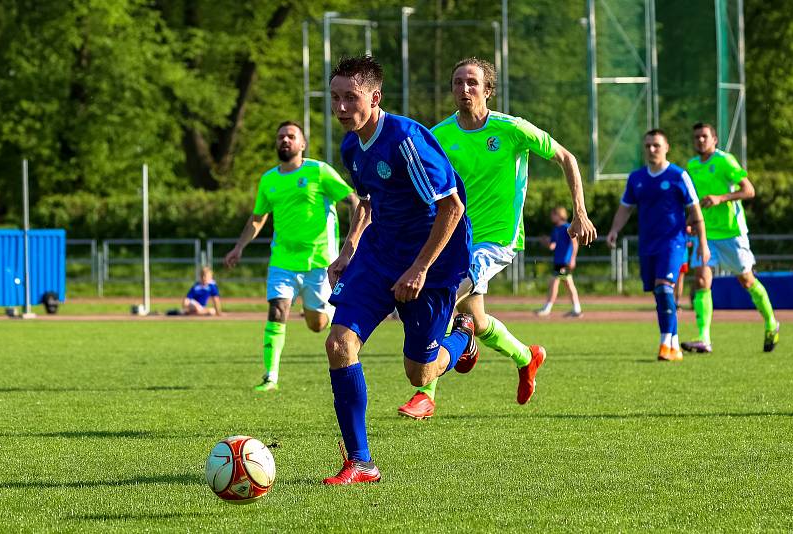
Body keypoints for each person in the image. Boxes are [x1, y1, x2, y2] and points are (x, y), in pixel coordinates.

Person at [397, 57, 597, 420]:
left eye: (472, 82)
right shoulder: (439, 135)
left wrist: (580, 212)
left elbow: (566, 158)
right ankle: (526, 356)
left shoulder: (512, 129)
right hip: (455, 238)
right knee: (477, 318)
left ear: (488, 90)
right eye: (458, 82)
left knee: (446, 292)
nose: (464, 89)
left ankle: (425, 393)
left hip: (498, 238)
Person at [322, 55, 477, 485]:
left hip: (435, 262)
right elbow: (369, 202)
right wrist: (348, 250)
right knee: (339, 344)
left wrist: (420, 268)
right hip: (379, 255)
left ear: (375, 97)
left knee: (420, 372)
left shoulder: (406, 139)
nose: (340, 108)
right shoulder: (351, 146)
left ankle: (461, 334)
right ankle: (361, 461)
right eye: (334, 98)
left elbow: (452, 207)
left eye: (350, 98)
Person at [224, 121, 358, 392]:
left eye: (291, 136)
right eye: (280, 137)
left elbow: (353, 199)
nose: (285, 140)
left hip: (320, 262)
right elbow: (258, 218)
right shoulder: (268, 179)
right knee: (276, 310)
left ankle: (320, 315)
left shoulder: (319, 171)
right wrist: (239, 247)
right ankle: (270, 376)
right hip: (282, 260)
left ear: (302, 144)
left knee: (317, 324)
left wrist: (355, 236)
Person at [606, 129, 710, 361]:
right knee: (660, 294)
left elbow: (695, 210)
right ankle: (673, 343)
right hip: (647, 245)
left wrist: (702, 242)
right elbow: (625, 207)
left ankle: (665, 343)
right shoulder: (637, 178)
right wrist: (614, 230)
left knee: (664, 288)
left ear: (666, 147)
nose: (652, 149)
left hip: (673, 242)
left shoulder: (678, 175)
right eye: (648, 146)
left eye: (656, 145)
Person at [682, 122, 779, 353]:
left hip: (732, 232)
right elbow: (694, 201)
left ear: (714, 139)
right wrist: (689, 223)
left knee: (746, 280)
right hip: (706, 234)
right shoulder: (692, 165)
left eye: (704, 136)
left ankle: (771, 323)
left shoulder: (725, 161)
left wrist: (721, 197)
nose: (700, 141)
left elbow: (749, 190)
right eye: (696, 137)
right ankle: (704, 338)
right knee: (701, 281)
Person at [535, 206, 583, 318]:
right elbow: (552, 246)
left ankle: (547, 308)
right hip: (558, 261)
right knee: (568, 284)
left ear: (559, 215)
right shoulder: (555, 229)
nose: (552, 217)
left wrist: (572, 259)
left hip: (564, 261)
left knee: (554, 282)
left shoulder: (567, 227)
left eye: (553, 214)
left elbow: (574, 244)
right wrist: (545, 241)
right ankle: (577, 309)